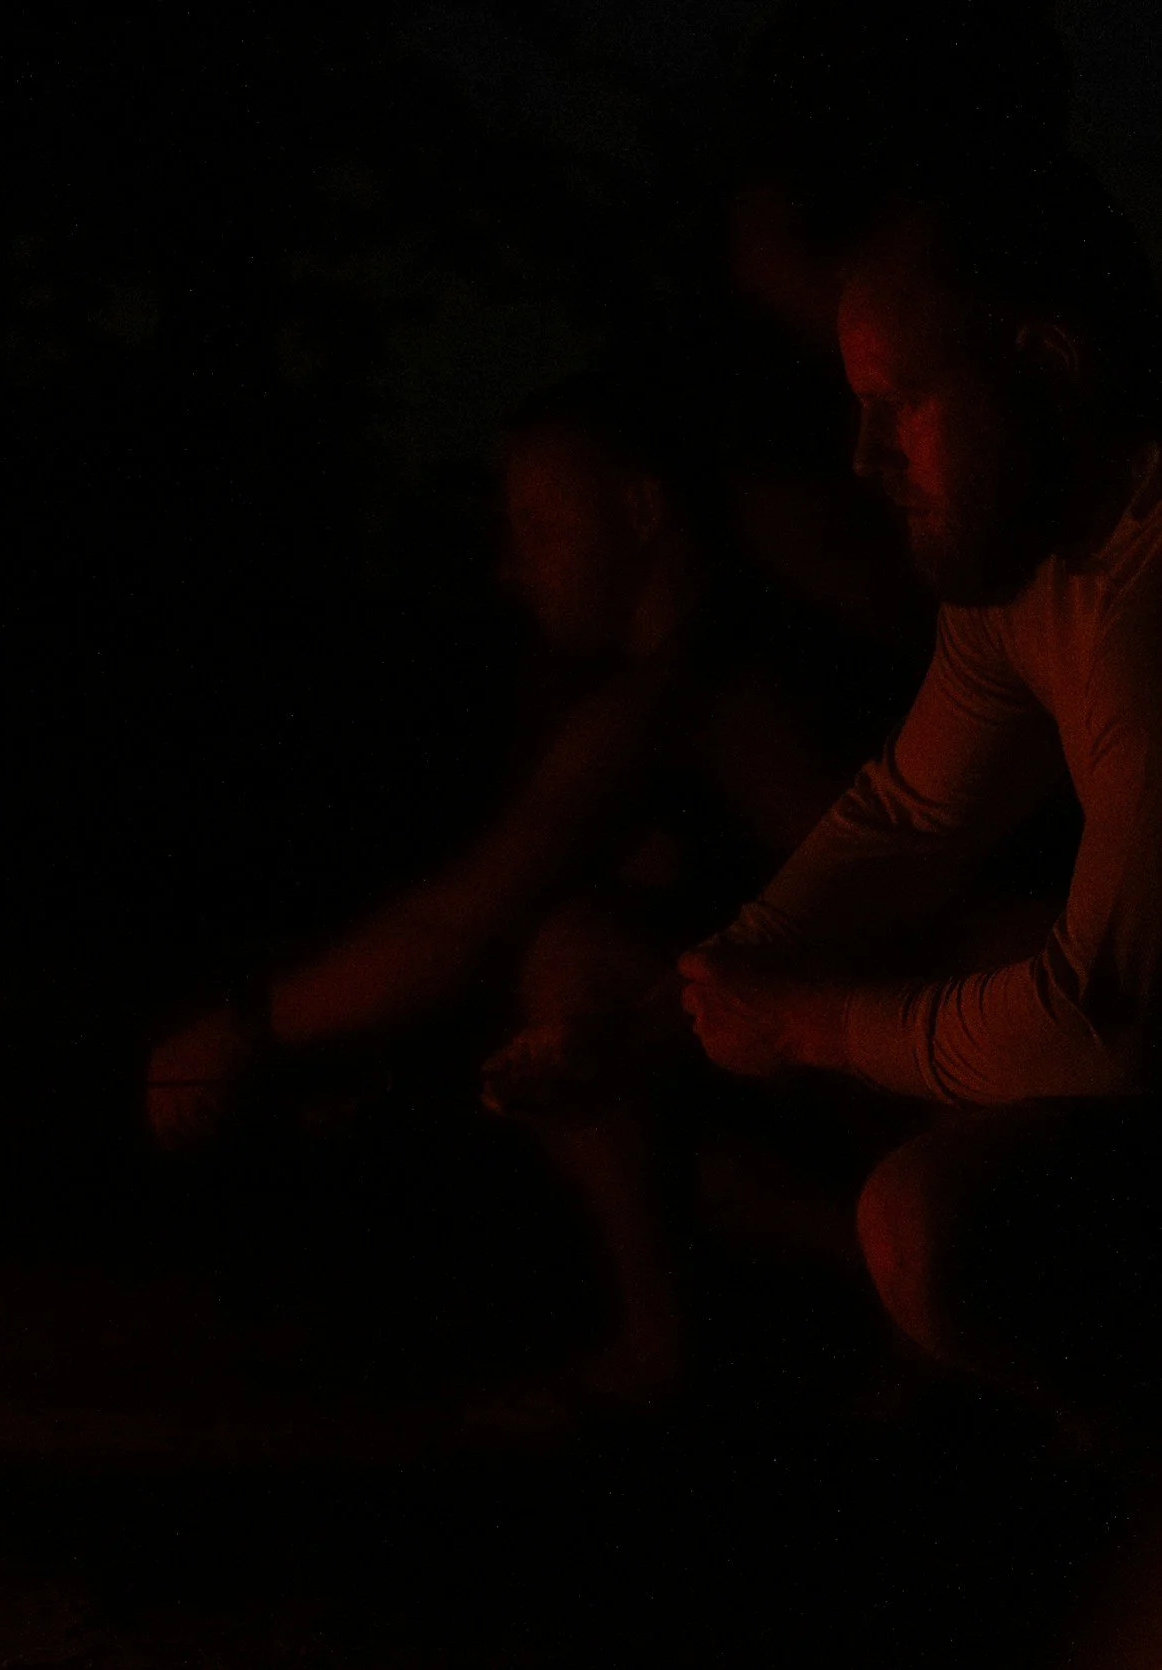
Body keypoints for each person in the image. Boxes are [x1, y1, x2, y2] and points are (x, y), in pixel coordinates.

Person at [148, 369, 862, 1399]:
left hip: (900, 1064)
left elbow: (464, 925)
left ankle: (671, 1352)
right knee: (556, 1039)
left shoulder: (694, 685)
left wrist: (246, 1028)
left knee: (574, 955)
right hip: (833, 1065)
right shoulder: (668, 673)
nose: (510, 566)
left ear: (640, 509)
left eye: (537, 527)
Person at [679, 161, 1162, 1417]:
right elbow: (911, 811)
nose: (860, 458)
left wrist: (812, 1024)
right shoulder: (1031, 553)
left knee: (929, 1215)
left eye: (895, 403)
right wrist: (710, 982)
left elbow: (1103, 1025)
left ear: (1047, 366)